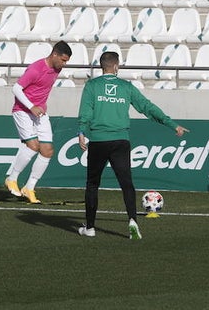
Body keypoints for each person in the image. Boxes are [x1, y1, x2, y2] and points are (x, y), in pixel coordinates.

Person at [77, 50, 187, 239]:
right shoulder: (125, 87)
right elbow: (147, 107)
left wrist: (81, 132)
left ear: (102, 66)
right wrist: (172, 124)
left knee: (92, 184)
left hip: (99, 140)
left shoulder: (92, 86)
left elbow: (86, 111)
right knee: (126, 184)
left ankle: (90, 228)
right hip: (121, 141)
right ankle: (133, 221)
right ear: (117, 66)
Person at [3, 40, 72, 203]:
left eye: (66, 61)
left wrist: (38, 107)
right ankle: (12, 178)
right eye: (63, 60)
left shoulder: (57, 68)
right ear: (54, 54)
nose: (64, 64)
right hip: (23, 111)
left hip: (40, 113)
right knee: (33, 146)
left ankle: (29, 188)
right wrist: (31, 106)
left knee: (47, 150)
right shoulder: (36, 68)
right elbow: (16, 88)